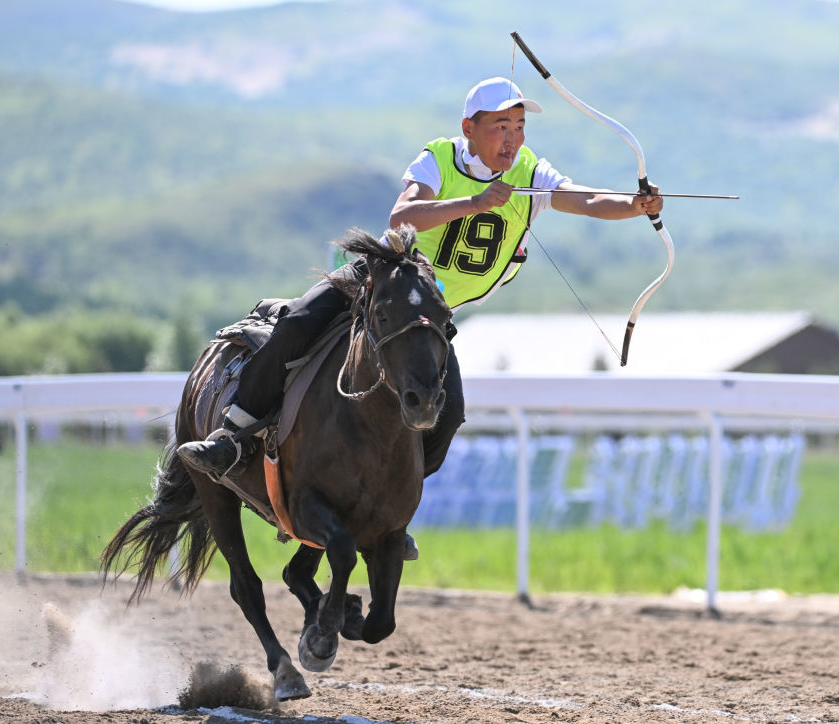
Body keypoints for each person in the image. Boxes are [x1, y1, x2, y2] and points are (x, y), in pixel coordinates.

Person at [177, 76, 663, 554]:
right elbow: (402, 216)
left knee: (448, 416)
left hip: (428, 316)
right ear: (469, 128)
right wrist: (474, 202)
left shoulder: (530, 172)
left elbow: (583, 198)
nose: (512, 139)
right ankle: (232, 436)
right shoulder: (439, 157)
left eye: (519, 127)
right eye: (500, 127)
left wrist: (634, 205)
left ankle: (389, 509)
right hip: (380, 282)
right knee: (299, 322)